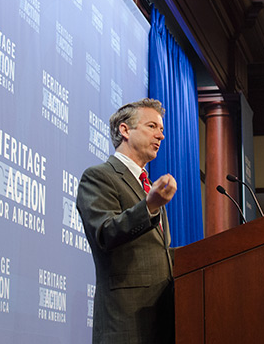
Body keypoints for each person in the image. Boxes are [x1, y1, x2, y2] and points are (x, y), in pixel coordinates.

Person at [77, 98, 177, 344]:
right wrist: (150, 206)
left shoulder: (148, 187)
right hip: (126, 322)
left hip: (163, 319)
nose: (161, 136)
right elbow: (105, 233)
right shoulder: (99, 177)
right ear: (125, 130)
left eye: (162, 129)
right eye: (152, 126)